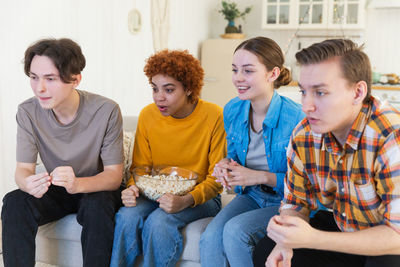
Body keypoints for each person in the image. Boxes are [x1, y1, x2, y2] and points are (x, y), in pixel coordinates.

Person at [253, 39, 400, 267]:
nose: (306, 106)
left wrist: (314, 238)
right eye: (303, 91)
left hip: (388, 240)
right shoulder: (304, 135)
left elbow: (397, 236)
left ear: (358, 92)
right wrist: (286, 240)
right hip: (345, 227)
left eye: (320, 93)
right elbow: (295, 203)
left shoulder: (390, 135)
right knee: (266, 250)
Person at [1, 38, 124, 267]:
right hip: (57, 188)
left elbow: (114, 176)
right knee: (14, 202)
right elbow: (23, 170)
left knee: (97, 206)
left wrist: (77, 184)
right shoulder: (28, 112)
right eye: (34, 77)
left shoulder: (106, 110)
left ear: (75, 79)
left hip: (96, 188)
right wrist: (28, 184)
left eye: (50, 79)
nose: (40, 88)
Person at [110, 49, 226, 267]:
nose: (159, 97)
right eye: (155, 89)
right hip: (154, 192)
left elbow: (216, 179)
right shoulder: (147, 115)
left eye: (169, 89)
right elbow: (140, 167)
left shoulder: (214, 116)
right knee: (126, 216)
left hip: (201, 196)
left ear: (189, 88)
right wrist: (133, 188)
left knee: (159, 222)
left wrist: (184, 200)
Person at [199, 36, 305, 267]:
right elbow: (234, 156)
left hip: (286, 202)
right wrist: (225, 165)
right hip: (252, 196)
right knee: (209, 237)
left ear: (273, 74)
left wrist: (261, 176)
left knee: (236, 231)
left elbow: (308, 184)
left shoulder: (297, 118)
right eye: (235, 70)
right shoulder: (232, 109)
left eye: (247, 71)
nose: (238, 78)